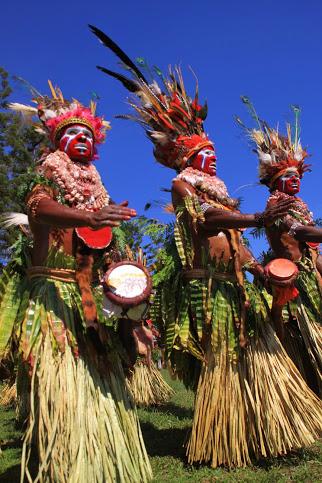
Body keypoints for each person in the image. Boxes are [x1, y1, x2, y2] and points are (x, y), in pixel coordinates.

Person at [90, 26, 322, 468]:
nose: (211, 157)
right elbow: (207, 223)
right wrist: (256, 218)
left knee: (255, 353)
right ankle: (223, 438)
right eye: (203, 153)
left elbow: (236, 240)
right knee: (224, 362)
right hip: (209, 290)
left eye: (213, 152)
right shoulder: (183, 186)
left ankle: (264, 429)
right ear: (185, 157)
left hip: (238, 285)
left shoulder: (221, 193)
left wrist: (256, 268)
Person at [0, 82, 152, 482]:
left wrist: (130, 306)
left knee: (101, 372)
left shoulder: (97, 202)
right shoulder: (45, 183)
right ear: (56, 141)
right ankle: (66, 464)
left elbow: (108, 262)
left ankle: (103, 460)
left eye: (87, 134)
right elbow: (40, 208)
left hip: (87, 295)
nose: (81, 139)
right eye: (72, 133)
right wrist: (87, 217)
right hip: (50, 294)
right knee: (63, 373)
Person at [240, 102, 322, 395]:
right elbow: (298, 232)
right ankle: (302, 388)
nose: (296, 178)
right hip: (291, 278)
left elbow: (310, 246)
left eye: (298, 174)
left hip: (310, 274)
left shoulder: (300, 204)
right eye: (289, 175)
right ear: (276, 181)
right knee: (298, 333)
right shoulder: (275, 205)